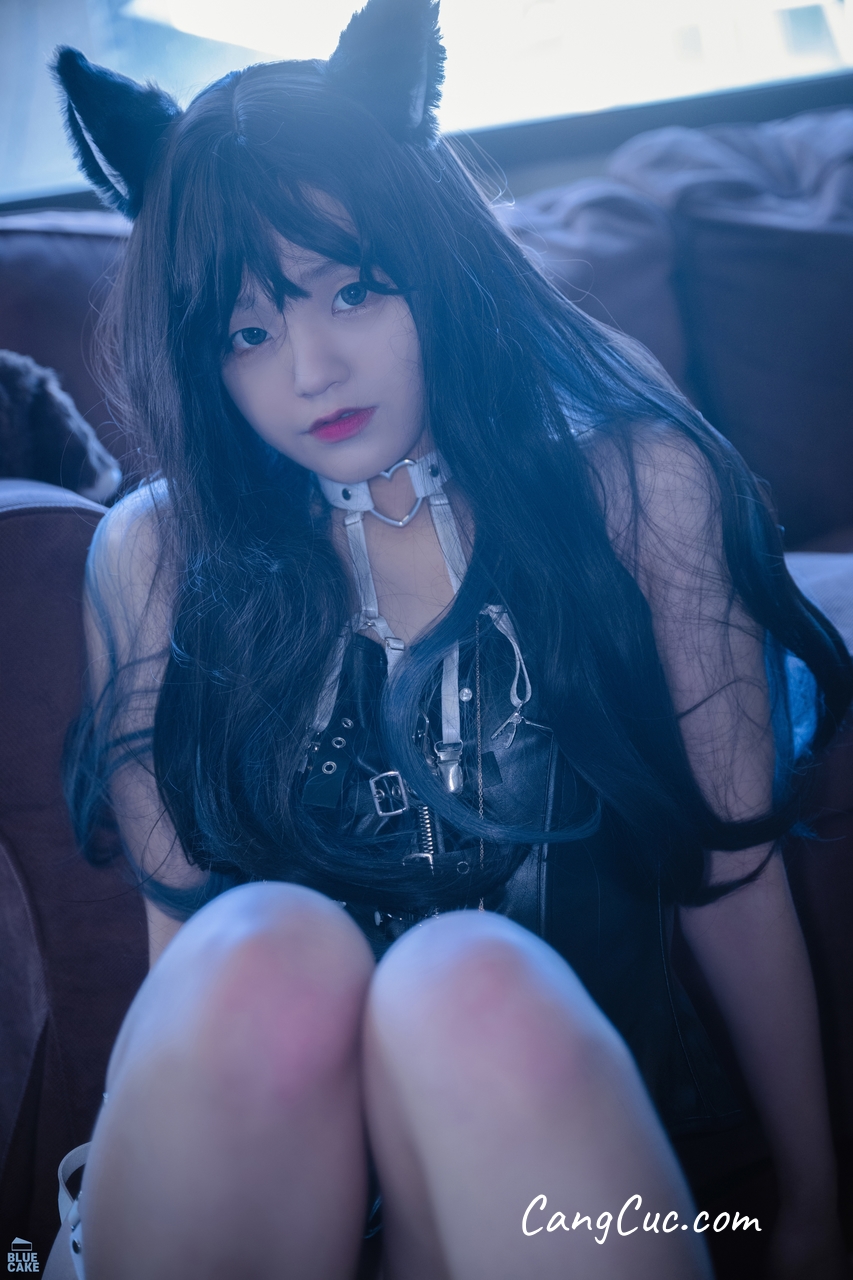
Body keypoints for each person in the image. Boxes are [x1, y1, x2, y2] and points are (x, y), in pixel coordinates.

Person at [44, 1, 852, 1276]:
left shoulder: (636, 488)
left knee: (467, 981)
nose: (310, 369)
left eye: (353, 290)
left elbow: (731, 872)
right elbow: (184, 959)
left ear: (434, 260)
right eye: (246, 332)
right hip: (269, 1175)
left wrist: (811, 1195)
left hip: (528, 1164)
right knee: (263, 953)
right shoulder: (153, 553)